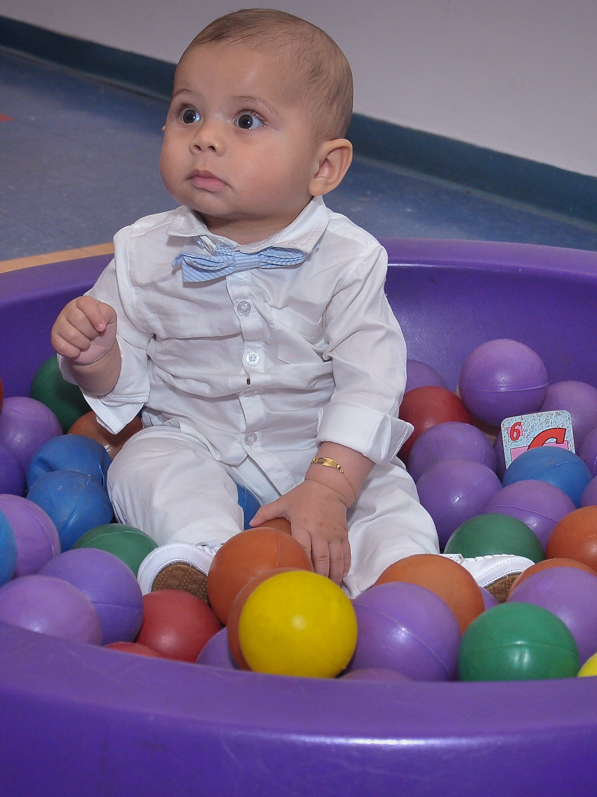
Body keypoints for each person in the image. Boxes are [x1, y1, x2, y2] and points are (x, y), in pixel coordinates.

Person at [51, 8, 530, 599]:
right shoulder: (142, 252)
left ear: (323, 166)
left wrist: (329, 487)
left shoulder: (349, 260)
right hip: (194, 437)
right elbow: (122, 380)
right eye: (188, 113)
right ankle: (213, 556)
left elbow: (370, 384)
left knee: (383, 495)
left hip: (321, 449)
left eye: (246, 119)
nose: (205, 136)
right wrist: (95, 355)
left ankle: (415, 578)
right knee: (144, 462)